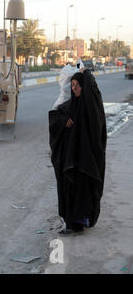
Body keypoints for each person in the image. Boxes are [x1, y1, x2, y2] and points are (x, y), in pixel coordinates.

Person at [48, 69, 107, 236]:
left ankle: (79, 223)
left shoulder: (91, 107)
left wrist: (86, 72)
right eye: (72, 85)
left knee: (83, 190)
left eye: (77, 85)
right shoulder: (69, 106)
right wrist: (63, 123)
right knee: (69, 188)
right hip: (70, 159)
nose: (74, 89)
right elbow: (54, 117)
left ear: (84, 86)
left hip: (86, 160)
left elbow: (93, 88)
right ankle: (72, 223)